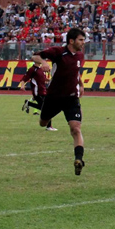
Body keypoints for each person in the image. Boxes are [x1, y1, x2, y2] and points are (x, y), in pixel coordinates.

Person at [32, 27, 88, 175]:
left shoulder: (80, 56)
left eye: (84, 40)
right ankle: (41, 111)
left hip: (71, 98)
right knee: (43, 123)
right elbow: (35, 56)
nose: (83, 43)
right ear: (71, 40)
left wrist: (81, 84)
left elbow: (75, 71)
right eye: (81, 40)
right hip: (54, 97)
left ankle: (79, 160)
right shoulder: (58, 52)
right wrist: (43, 62)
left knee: (76, 128)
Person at [20, 61, 57, 131]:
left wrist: (48, 80)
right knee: (46, 108)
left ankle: (29, 103)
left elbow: (41, 79)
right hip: (37, 93)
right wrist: (22, 85)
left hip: (43, 91)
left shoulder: (40, 69)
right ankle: (49, 126)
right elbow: (25, 78)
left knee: (46, 108)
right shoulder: (32, 69)